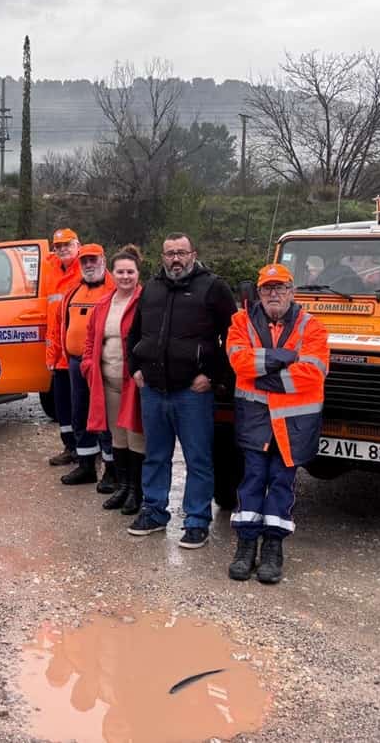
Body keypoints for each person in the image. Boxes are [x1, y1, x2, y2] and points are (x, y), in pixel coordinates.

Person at [126, 233, 237, 549]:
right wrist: (135, 368)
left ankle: (197, 521)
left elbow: (234, 338)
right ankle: (154, 511)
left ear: (193, 254)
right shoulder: (151, 289)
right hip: (153, 390)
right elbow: (135, 333)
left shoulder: (213, 288)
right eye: (170, 253)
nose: (176, 259)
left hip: (192, 392)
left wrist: (213, 376)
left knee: (198, 459)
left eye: (181, 253)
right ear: (162, 257)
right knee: (156, 456)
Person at [225, 263, 329, 583]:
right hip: (255, 421)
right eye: (267, 288)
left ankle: (272, 547)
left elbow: (314, 372)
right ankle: (245, 546)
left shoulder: (312, 326)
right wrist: (283, 357)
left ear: (291, 291)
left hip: (292, 425)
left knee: (282, 483)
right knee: (252, 480)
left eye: (280, 287)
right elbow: (239, 361)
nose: (274, 294)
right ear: (258, 293)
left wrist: (263, 376)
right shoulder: (240, 321)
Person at [80, 246, 145, 513]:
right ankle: (123, 487)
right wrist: (87, 365)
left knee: (136, 438)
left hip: (134, 383)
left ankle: (137, 493)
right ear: (113, 273)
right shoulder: (104, 303)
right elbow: (90, 339)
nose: (125, 276)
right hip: (107, 381)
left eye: (130, 271)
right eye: (120, 271)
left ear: (138, 273)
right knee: (117, 436)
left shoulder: (145, 302)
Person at [57, 243, 116, 486]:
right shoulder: (72, 292)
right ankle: (86, 466)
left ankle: (112, 470)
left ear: (103, 260)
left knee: (104, 417)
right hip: (76, 362)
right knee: (79, 413)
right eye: (84, 261)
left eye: (93, 260)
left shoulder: (115, 289)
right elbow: (62, 323)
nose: (89, 265)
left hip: (103, 364)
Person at [44, 228, 83, 466]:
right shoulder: (50, 269)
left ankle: (88, 449)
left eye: (67, 245)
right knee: (63, 405)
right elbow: (52, 319)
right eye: (58, 246)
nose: (62, 250)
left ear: (78, 244)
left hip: (78, 352)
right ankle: (70, 446)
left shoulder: (88, 267)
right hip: (59, 353)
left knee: (82, 405)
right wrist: (51, 355)